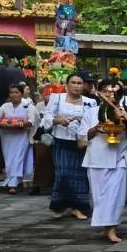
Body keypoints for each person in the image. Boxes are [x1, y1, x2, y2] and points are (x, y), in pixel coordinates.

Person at [40, 71, 96, 220]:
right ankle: (60, 205)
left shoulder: (90, 102)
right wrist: (58, 121)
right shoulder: (56, 98)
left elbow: (93, 121)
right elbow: (47, 117)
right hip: (61, 140)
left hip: (81, 142)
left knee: (81, 175)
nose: (76, 86)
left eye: (79, 83)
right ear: (67, 85)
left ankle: (79, 207)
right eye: (73, 83)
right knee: (63, 173)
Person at [84, 80, 127, 244]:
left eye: (113, 92)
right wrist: (96, 128)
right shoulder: (91, 112)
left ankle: (112, 229)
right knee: (100, 197)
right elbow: (82, 137)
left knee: (116, 196)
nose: (110, 94)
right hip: (96, 159)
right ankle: (105, 226)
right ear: (99, 92)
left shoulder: (123, 111)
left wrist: (125, 120)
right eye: (106, 91)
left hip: (118, 158)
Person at [0, 82, 34, 193]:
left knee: (18, 158)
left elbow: (32, 121)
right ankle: (16, 181)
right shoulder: (5, 106)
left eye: (16, 92)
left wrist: (22, 124)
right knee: (9, 159)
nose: (14, 95)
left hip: (22, 136)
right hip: (7, 137)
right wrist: (2, 124)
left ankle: (12, 185)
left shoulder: (28, 106)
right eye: (11, 92)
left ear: (22, 94)